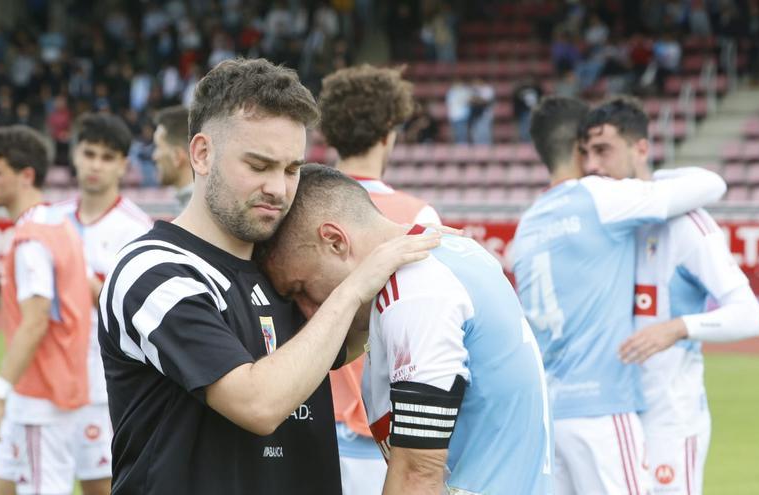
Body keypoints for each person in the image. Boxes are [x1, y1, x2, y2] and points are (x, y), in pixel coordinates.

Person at [97, 58, 440, 494]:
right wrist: (355, 286)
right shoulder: (154, 271)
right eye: (259, 166)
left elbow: (347, 342)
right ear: (202, 154)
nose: (279, 188)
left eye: (292, 169)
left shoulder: (282, 265)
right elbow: (258, 404)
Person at [259, 164, 553, 494]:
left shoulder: (416, 290)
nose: (310, 312)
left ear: (335, 241)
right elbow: (325, 355)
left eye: (301, 288)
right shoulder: (448, 254)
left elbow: (418, 476)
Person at [511, 96, 727, 495]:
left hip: (550, 416)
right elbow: (711, 185)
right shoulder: (600, 197)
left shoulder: (526, 226)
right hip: (603, 407)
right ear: (580, 147)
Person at [579, 96, 759, 495]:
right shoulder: (601, 222)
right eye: (586, 153)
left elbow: (750, 315)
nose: (593, 165)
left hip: (669, 420)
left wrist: (677, 328)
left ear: (640, 148)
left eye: (603, 150)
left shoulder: (686, 222)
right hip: (608, 416)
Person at [317, 63, 441, 495]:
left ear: (329, 131)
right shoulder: (418, 218)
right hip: (382, 427)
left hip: (302, 414)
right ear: (390, 130)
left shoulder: (297, 208)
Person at [0, 125, 92, 495]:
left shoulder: (32, 241)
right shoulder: (60, 224)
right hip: (41, 393)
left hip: (43, 399)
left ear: (26, 176)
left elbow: (36, 320)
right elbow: (93, 289)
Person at [50, 113, 153, 495]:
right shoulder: (50, 220)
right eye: (89, 153)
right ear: (74, 155)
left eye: (107, 157)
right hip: (49, 384)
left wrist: (88, 284)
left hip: (103, 388)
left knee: (103, 487)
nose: (95, 164)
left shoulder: (138, 230)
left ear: (124, 165)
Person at [152, 105, 194, 208]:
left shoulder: (197, 212)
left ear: (177, 156)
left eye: (158, 147)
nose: (154, 156)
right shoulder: (188, 204)